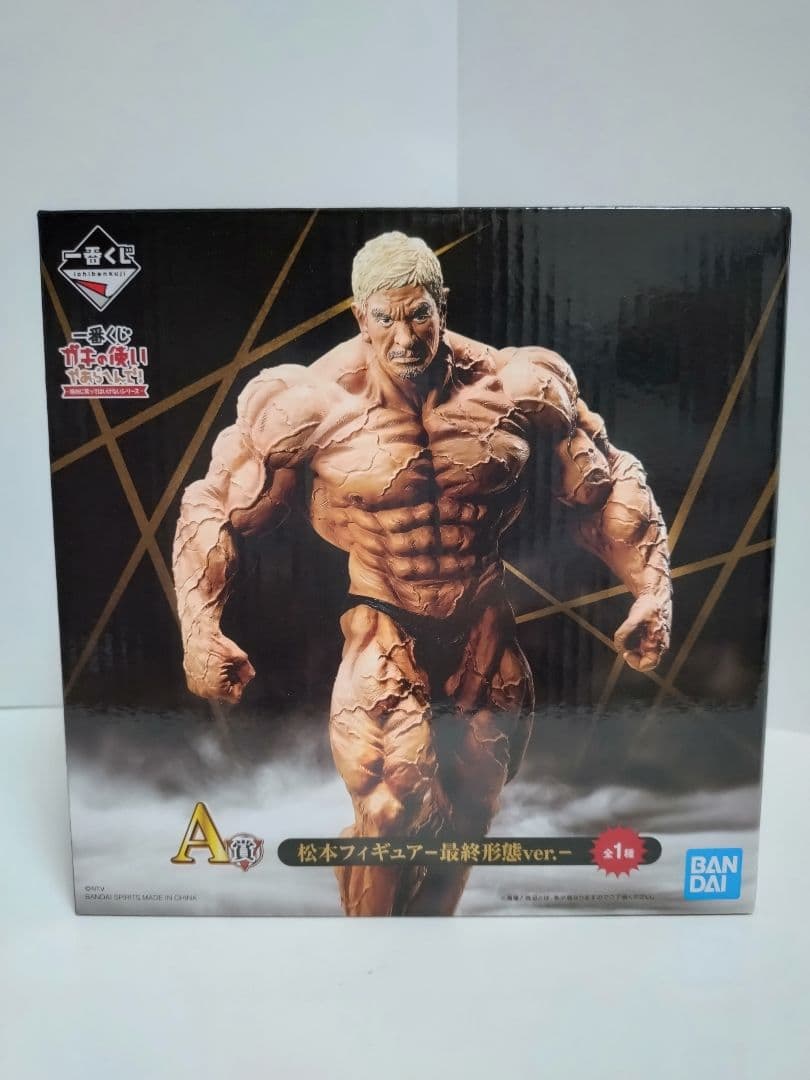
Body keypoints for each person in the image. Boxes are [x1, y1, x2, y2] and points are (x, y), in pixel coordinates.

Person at [172, 231, 672, 916]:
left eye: (419, 315)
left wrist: (651, 592)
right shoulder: (307, 402)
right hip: (384, 616)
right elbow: (215, 505)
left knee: (466, 821)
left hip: (484, 622)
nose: (405, 337)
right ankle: (371, 954)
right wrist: (199, 628)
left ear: (442, 304)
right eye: (385, 318)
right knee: (393, 807)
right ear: (360, 316)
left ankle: (426, 950)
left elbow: (607, 484)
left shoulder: (519, 385)